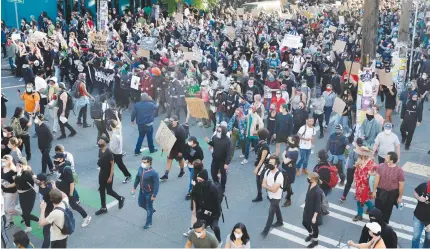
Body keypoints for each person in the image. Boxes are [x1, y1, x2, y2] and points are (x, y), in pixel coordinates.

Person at [54, 152, 91, 227]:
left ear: (61, 159)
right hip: (61, 191)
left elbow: (71, 183)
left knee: (74, 206)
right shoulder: (59, 166)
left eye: (56, 158)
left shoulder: (66, 170)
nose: (55, 160)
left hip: (67, 192)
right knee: (61, 206)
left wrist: (70, 194)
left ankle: (86, 217)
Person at [95, 135, 125, 215]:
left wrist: (110, 176)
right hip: (102, 173)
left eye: (101, 141)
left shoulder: (109, 153)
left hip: (108, 174)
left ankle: (120, 198)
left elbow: (112, 165)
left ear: (105, 142)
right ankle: (103, 208)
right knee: (101, 190)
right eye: (99, 141)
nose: (99, 142)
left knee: (109, 191)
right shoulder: (100, 150)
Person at [372, 152, 405, 224]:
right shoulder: (381, 166)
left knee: (387, 211)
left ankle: (384, 225)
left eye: (387, 157)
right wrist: (374, 191)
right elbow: (376, 179)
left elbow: (401, 185)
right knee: (377, 210)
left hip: (391, 194)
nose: (385, 158)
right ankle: (375, 224)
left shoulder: (399, 171)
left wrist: (400, 197)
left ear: (391, 161)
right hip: (381, 192)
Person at [193, 169, 223, 244]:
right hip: (203, 210)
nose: (198, 182)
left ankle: (218, 240)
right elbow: (195, 196)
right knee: (200, 226)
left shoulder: (213, 188)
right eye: (198, 180)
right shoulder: (199, 186)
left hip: (213, 212)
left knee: (214, 227)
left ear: (205, 179)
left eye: (200, 180)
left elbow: (217, 204)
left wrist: (216, 216)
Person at [132, 156, 160, 230]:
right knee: (140, 204)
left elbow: (156, 184)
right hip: (142, 191)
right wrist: (134, 187)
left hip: (149, 193)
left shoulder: (153, 172)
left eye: (144, 162)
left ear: (149, 163)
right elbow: (138, 177)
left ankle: (148, 223)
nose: (142, 164)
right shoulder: (141, 168)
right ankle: (151, 210)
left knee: (148, 207)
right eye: (142, 162)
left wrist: (154, 195)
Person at [261, 155, 284, 238]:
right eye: (269, 162)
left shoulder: (279, 175)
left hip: (276, 197)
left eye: (271, 163)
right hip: (270, 195)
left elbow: (274, 189)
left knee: (271, 212)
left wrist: (267, 186)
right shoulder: (267, 171)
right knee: (276, 208)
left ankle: (265, 231)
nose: (269, 164)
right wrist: (269, 187)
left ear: (276, 165)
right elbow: (263, 183)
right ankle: (280, 221)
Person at [205, 124, 233, 192]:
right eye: (217, 130)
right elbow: (213, 144)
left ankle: (222, 187)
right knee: (213, 173)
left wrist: (227, 163)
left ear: (223, 132)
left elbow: (229, 153)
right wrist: (208, 142)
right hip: (215, 159)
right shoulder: (215, 137)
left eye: (219, 131)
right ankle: (217, 184)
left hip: (223, 161)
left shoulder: (228, 141)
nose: (217, 132)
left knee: (223, 175)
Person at [352, 146, 376, 221]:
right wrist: (354, 182)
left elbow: (376, 174)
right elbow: (356, 172)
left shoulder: (372, 164)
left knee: (364, 199)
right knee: (359, 199)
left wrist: (371, 174)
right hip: (359, 184)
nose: (358, 155)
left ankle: (373, 211)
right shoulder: (359, 161)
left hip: (366, 185)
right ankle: (360, 214)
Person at [15, 159, 39, 232]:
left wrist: (18, 173)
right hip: (22, 194)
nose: (16, 166)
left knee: (26, 213)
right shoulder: (24, 171)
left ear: (22, 166)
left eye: (17, 165)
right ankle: (28, 224)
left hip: (29, 195)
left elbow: (18, 182)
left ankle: (39, 221)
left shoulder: (27, 173)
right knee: (23, 212)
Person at [160, 116, 187, 180]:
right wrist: (165, 145)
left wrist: (181, 151)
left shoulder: (181, 129)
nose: (170, 122)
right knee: (169, 159)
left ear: (176, 121)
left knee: (180, 160)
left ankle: (182, 171)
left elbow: (183, 141)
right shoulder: (169, 126)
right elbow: (166, 135)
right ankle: (166, 174)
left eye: (172, 121)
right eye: (170, 120)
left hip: (178, 148)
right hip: (171, 147)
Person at [109, 112, 132, 183]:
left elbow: (113, 147)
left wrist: (110, 150)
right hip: (119, 151)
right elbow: (119, 122)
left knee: (119, 165)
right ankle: (127, 175)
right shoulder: (119, 129)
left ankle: (128, 175)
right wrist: (116, 115)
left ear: (111, 126)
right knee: (117, 165)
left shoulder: (114, 136)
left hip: (115, 153)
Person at [302, 172, 323, 248]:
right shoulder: (310, 185)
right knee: (304, 223)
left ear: (314, 179)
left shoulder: (318, 191)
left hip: (314, 213)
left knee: (315, 227)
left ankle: (315, 241)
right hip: (307, 209)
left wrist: (314, 217)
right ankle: (311, 234)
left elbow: (318, 205)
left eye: (309, 177)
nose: (308, 178)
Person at [340, 138, 363, 202]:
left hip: (352, 167)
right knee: (358, 182)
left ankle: (344, 196)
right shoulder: (362, 150)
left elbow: (347, 155)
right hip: (357, 168)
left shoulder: (354, 149)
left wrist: (346, 150)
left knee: (349, 182)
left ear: (356, 143)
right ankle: (357, 194)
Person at [252, 129, 270, 202]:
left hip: (263, 166)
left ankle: (268, 194)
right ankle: (260, 195)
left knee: (262, 180)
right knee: (259, 181)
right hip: (261, 165)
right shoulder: (260, 143)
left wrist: (257, 168)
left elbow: (262, 159)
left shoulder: (265, 146)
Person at [281, 135, 299, 207]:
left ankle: (289, 200)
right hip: (285, 168)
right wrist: (284, 156)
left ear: (293, 141)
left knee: (287, 184)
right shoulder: (289, 147)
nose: (287, 141)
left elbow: (285, 160)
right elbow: (284, 154)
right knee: (287, 183)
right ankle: (290, 192)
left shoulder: (295, 152)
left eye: (289, 140)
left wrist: (283, 156)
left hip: (290, 170)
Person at [411, 177, 430, 248]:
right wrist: (419, 198)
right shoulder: (424, 185)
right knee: (416, 237)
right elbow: (415, 191)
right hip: (418, 217)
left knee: (428, 239)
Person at [1, 155, 17, 229]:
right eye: (2, 161)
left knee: (8, 208)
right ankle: (22, 214)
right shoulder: (2, 168)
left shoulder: (13, 171)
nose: (3, 162)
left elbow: (16, 182)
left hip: (11, 191)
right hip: (3, 190)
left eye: (4, 161)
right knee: (4, 207)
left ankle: (10, 221)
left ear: (9, 161)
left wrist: (8, 186)